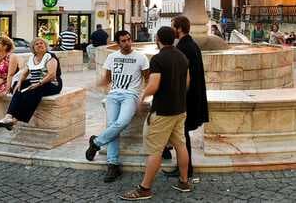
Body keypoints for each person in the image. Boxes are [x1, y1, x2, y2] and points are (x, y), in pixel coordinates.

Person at [119, 26, 191, 200]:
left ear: (158, 39)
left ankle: (144, 189)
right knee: (181, 145)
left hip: (162, 111)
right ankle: (184, 181)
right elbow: (187, 81)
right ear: (173, 38)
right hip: (180, 109)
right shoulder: (182, 56)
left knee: (155, 151)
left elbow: (154, 85)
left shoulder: (158, 59)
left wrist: (142, 96)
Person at [86, 30, 150, 183]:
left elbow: (148, 79)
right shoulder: (112, 57)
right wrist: (93, 86)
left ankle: (96, 142)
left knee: (122, 122)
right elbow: (107, 79)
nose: (127, 43)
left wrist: (143, 97)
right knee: (112, 125)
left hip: (131, 95)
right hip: (113, 95)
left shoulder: (141, 58)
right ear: (118, 43)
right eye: (123, 41)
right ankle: (113, 164)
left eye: (128, 40)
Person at [162, 15, 209, 181]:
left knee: (182, 136)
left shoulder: (183, 47)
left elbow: (182, 76)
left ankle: (185, 169)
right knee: (181, 134)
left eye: (173, 26)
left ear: (179, 28)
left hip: (186, 98)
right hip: (192, 96)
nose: (171, 29)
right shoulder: (191, 44)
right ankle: (181, 164)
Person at [0, 38, 62, 130]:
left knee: (34, 90)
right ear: (33, 48)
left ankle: (15, 120)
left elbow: (52, 75)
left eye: (41, 43)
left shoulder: (50, 56)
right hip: (36, 82)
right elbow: (25, 72)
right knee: (19, 88)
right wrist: (19, 83)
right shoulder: (32, 58)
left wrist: (38, 83)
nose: (39, 45)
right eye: (36, 44)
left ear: (45, 45)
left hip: (52, 83)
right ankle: (8, 117)